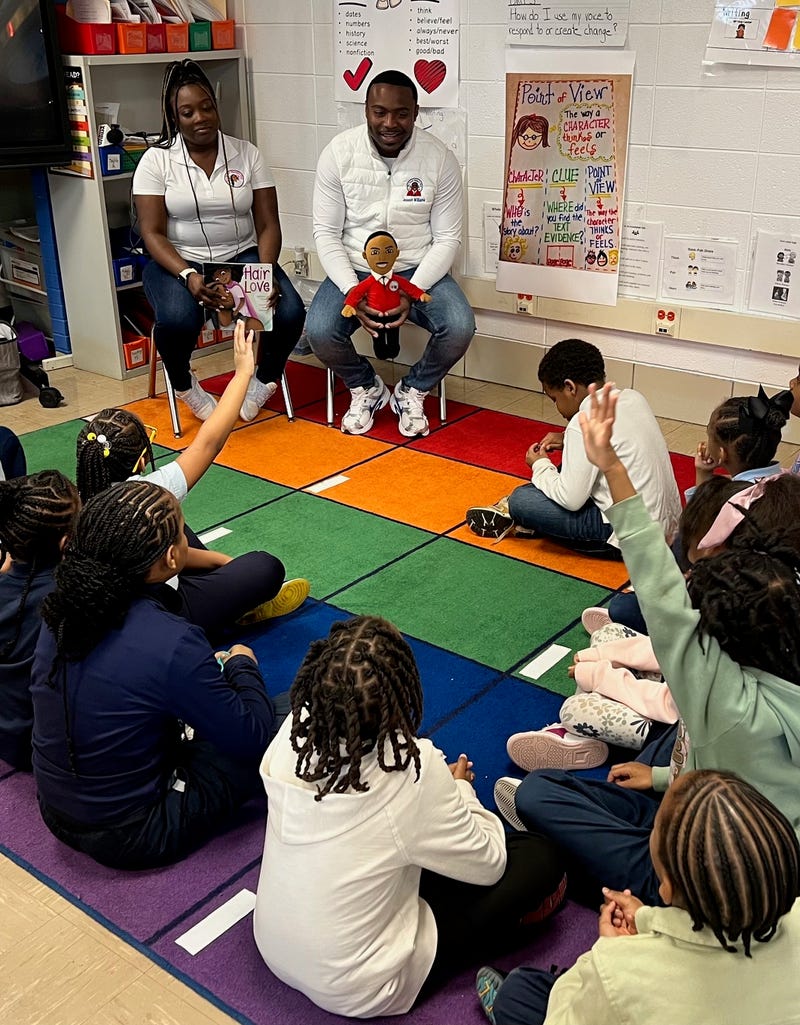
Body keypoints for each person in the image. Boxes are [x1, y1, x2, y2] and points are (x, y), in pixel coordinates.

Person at [497, 384, 800, 908]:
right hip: (727, 823)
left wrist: (609, 463)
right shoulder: (758, 672)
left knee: (539, 796)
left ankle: (589, 871)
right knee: (648, 751)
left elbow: (659, 589)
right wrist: (661, 776)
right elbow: (665, 598)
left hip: (703, 876)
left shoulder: (720, 694)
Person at [252, 615, 564, 1018]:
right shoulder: (410, 769)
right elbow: (489, 864)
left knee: (398, 849)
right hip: (361, 985)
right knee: (539, 857)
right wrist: (459, 791)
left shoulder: (293, 732)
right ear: (401, 692)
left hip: (273, 942)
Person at [31, 480, 283, 870]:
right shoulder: (172, 640)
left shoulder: (60, 610)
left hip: (54, 810)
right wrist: (242, 665)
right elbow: (251, 739)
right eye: (182, 533)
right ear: (170, 558)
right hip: (133, 832)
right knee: (292, 712)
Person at [476, 770, 800, 1025]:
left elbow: (570, 1015)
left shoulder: (617, 970)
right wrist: (647, 920)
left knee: (518, 995)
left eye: (655, 830)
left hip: (621, 988)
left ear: (666, 888)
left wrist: (608, 952)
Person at [76, 321, 310, 640]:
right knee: (265, 567)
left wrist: (220, 563)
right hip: (167, 610)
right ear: (140, 460)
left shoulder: (79, 502)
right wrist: (243, 373)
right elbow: (209, 441)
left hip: (124, 599)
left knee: (174, 527)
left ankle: (221, 588)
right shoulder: (150, 493)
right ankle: (234, 610)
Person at [504, 477, 752, 769]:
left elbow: (668, 704)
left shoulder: (727, 622)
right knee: (608, 634)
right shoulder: (730, 595)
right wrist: (602, 657)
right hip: (676, 691)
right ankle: (583, 732)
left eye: (695, 566)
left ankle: (574, 735)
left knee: (575, 709)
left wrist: (600, 676)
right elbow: (666, 651)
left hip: (677, 727)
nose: (687, 575)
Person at [133, 58, 305, 423]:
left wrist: (263, 272)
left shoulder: (247, 154)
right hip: (178, 262)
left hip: (242, 256)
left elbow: (268, 223)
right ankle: (184, 385)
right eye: (188, 112)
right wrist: (188, 276)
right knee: (177, 320)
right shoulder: (156, 161)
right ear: (174, 117)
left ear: (216, 106)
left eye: (207, 107)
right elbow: (152, 232)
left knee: (290, 311)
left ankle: (264, 379)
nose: (200, 118)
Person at [305, 69, 476, 438]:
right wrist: (354, 291)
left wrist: (410, 291)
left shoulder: (440, 159)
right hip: (355, 269)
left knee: (460, 326)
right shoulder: (338, 154)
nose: (389, 123)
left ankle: (411, 391)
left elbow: (447, 238)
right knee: (319, 331)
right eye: (379, 112)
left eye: (401, 113)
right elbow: (326, 234)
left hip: (416, 269)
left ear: (415, 113)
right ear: (366, 110)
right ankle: (366, 387)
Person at [606, 384, 794, 633]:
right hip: (781, 605)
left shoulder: (734, 500)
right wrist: (704, 474)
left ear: (722, 454)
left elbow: (693, 547)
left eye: (709, 435)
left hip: (736, 612)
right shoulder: (785, 481)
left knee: (622, 608)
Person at [467, 339, 681, 557]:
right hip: (667, 527)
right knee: (559, 477)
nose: (557, 408)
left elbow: (571, 500)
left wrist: (540, 464)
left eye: (555, 399)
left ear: (570, 387)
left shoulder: (582, 421)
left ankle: (516, 513)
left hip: (624, 537)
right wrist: (567, 439)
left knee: (522, 499)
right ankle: (526, 516)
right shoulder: (633, 397)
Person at [0, 470, 79, 769]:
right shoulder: (71, 597)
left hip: (8, 738)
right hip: (48, 748)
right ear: (65, 542)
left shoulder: (8, 587)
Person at [341, 230, 431, 360]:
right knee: (377, 335)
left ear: (396, 253)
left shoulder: (397, 280)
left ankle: (394, 349)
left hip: (394, 314)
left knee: (393, 333)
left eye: (388, 251)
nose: (382, 257)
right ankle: (380, 351)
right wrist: (349, 304)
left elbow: (409, 287)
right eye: (375, 253)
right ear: (365, 256)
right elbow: (357, 292)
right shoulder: (368, 282)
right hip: (375, 314)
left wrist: (420, 294)